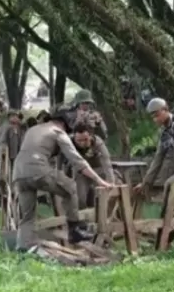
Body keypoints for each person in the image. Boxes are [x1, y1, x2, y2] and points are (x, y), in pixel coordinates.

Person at [12, 106, 113, 252]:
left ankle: (21, 248)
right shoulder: (58, 132)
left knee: (27, 216)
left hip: (19, 173)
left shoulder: (33, 129)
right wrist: (100, 181)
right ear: (65, 124)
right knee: (70, 187)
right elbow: (78, 162)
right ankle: (74, 230)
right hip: (38, 169)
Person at [66, 123, 115, 208]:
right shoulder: (68, 142)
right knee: (79, 198)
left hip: (98, 169)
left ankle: (101, 213)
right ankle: (82, 217)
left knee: (100, 196)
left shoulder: (98, 142)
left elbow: (107, 163)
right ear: (74, 138)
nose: (82, 143)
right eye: (79, 140)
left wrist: (111, 182)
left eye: (85, 139)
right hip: (81, 171)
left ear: (91, 136)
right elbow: (61, 160)